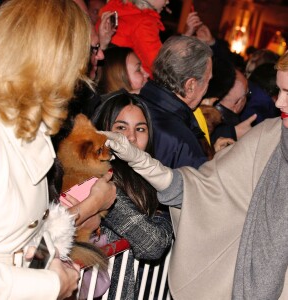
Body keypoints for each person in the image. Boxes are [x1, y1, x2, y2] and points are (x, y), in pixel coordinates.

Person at [103, 51, 288, 299]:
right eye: (279, 91)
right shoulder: (267, 137)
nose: (278, 103)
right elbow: (199, 188)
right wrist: (139, 160)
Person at [0, 0, 113, 299]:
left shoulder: (31, 128)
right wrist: (49, 285)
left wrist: (53, 264)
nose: (78, 77)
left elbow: (26, 233)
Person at [92, 90, 173, 299]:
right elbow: (153, 244)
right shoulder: (97, 180)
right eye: (120, 128)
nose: (131, 138)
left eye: (140, 128)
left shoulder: (149, 179)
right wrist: (170, 219)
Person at [138, 35, 232, 168]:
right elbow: (197, 186)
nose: (207, 88)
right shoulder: (183, 142)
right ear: (190, 86)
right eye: (207, 80)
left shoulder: (129, 104)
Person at [97, 0, 169, 75]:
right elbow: (159, 67)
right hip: (125, 80)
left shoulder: (115, 9)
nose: (167, 2)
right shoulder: (144, 22)